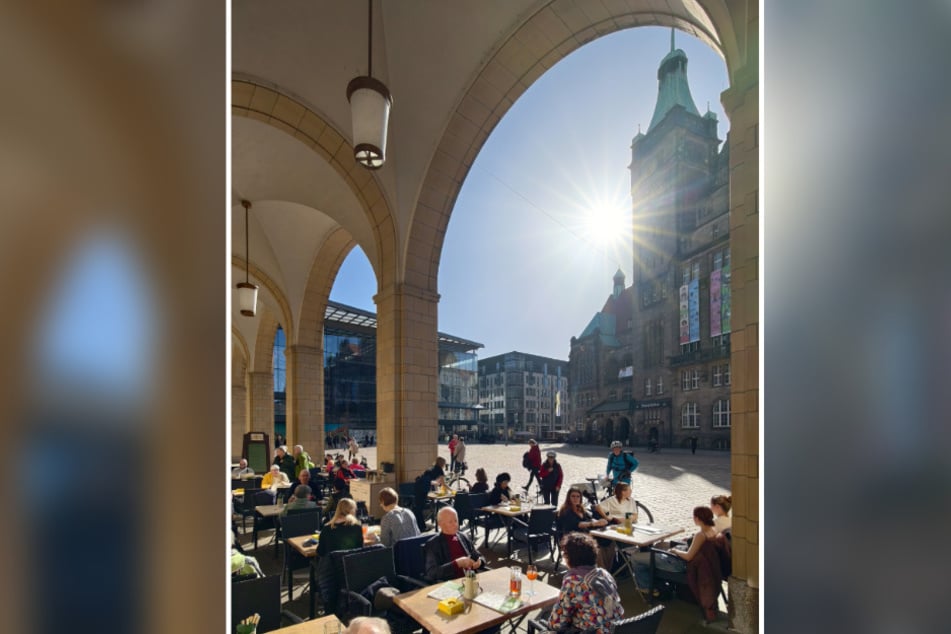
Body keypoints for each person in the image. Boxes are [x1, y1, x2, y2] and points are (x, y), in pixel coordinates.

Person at [642, 506, 729, 623]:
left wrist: (675, 551)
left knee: (651, 554)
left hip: (687, 566)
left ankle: (649, 588)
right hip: (712, 568)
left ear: (697, 519)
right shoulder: (714, 531)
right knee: (664, 546)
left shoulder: (701, 535)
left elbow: (688, 556)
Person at [542, 532, 623, 634]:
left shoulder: (573, 581)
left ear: (569, 558)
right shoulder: (604, 574)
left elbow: (557, 623)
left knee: (545, 619)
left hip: (592, 631)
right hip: (616, 628)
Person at [423, 506, 486, 581]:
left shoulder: (463, 536)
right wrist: (457, 564)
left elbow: (478, 556)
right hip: (450, 584)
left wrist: (480, 562)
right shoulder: (433, 544)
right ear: (440, 524)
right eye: (450, 522)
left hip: (471, 580)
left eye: (456, 520)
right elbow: (432, 573)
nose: (455, 524)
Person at [593, 482, 638, 571]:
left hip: (629, 524)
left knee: (637, 538)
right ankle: (625, 566)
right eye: (629, 489)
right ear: (622, 492)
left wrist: (626, 520)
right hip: (617, 526)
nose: (631, 491)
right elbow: (598, 507)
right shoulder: (612, 500)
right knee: (626, 542)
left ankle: (629, 564)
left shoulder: (631, 500)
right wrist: (608, 518)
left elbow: (635, 516)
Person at [412, 457, 447, 531]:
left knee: (418, 508)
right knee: (419, 508)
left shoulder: (432, 468)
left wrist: (436, 490)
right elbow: (443, 484)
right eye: (444, 463)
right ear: (442, 464)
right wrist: (451, 490)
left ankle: (419, 526)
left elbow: (431, 481)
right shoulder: (439, 470)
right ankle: (422, 527)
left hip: (418, 486)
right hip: (422, 488)